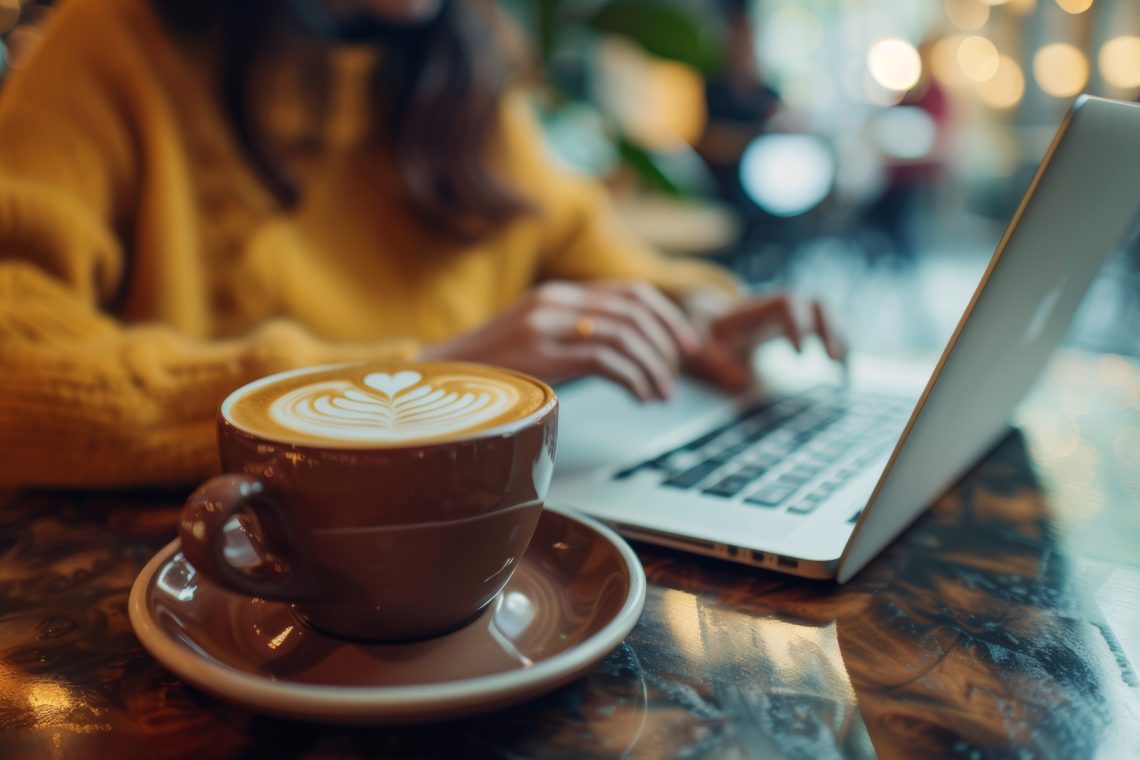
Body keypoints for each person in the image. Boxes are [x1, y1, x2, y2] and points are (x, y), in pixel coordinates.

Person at [0, 0, 844, 488]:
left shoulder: (461, 71)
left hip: (473, 546)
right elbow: (17, 375)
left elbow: (597, 256)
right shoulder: (109, 42)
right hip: (236, 578)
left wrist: (699, 314)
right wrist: (418, 378)